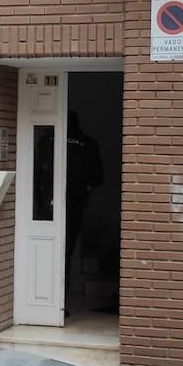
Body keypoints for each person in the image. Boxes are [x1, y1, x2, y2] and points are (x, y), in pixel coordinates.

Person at [64, 110, 103, 281]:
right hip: (76, 201)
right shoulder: (89, 144)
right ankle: (64, 288)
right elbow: (98, 178)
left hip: (46, 205)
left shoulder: (48, 141)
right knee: (69, 244)